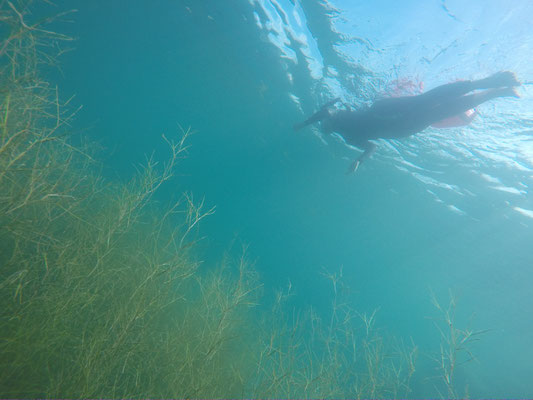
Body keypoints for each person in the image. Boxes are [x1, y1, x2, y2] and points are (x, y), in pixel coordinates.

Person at [294, 71, 521, 173]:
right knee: (433, 112)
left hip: (383, 113)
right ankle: (495, 92)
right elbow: (372, 146)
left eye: (323, 126)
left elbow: (324, 112)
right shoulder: (348, 135)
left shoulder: (338, 118)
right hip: (395, 128)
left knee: (426, 101)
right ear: (329, 131)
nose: (325, 125)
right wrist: (360, 160)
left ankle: (487, 83)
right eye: (325, 128)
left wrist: (305, 123)